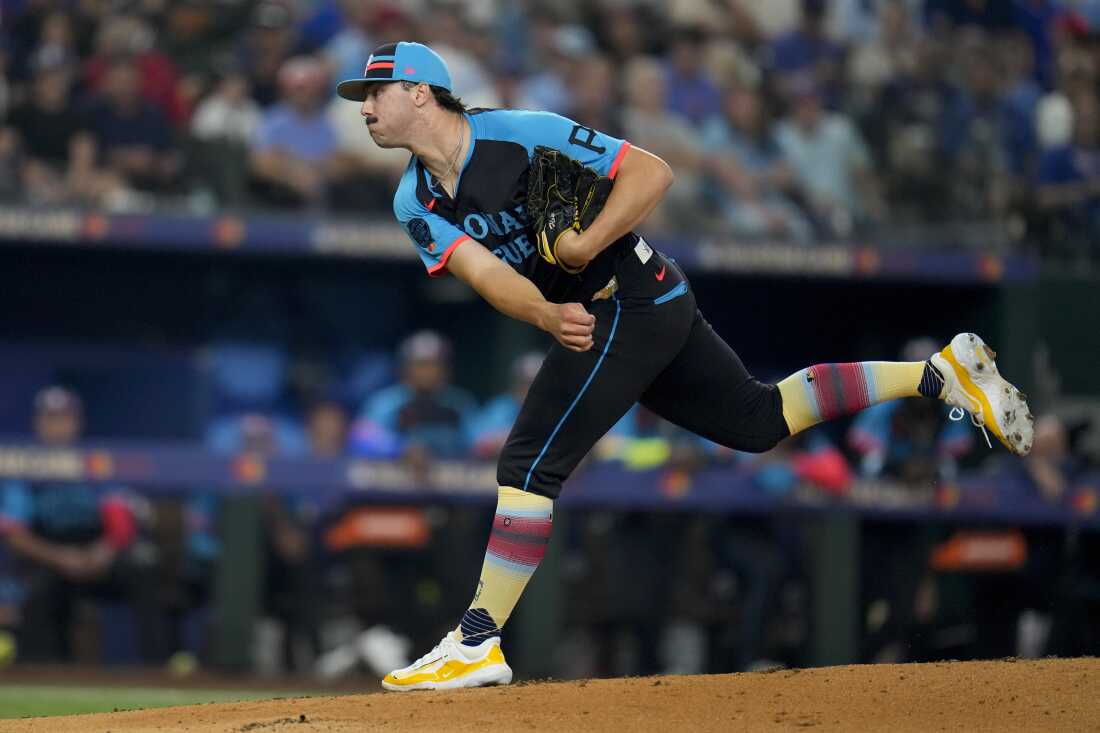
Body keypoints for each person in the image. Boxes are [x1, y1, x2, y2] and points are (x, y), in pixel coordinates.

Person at [336, 40, 1034, 691]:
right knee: (763, 420)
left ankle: (477, 639)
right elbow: (485, 274)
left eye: (375, 92)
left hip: (631, 297)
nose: (364, 109)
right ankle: (940, 373)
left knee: (526, 465)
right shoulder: (413, 198)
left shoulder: (520, 129)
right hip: (626, 308)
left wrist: (587, 244)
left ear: (423, 93)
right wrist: (547, 313)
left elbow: (650, 171)